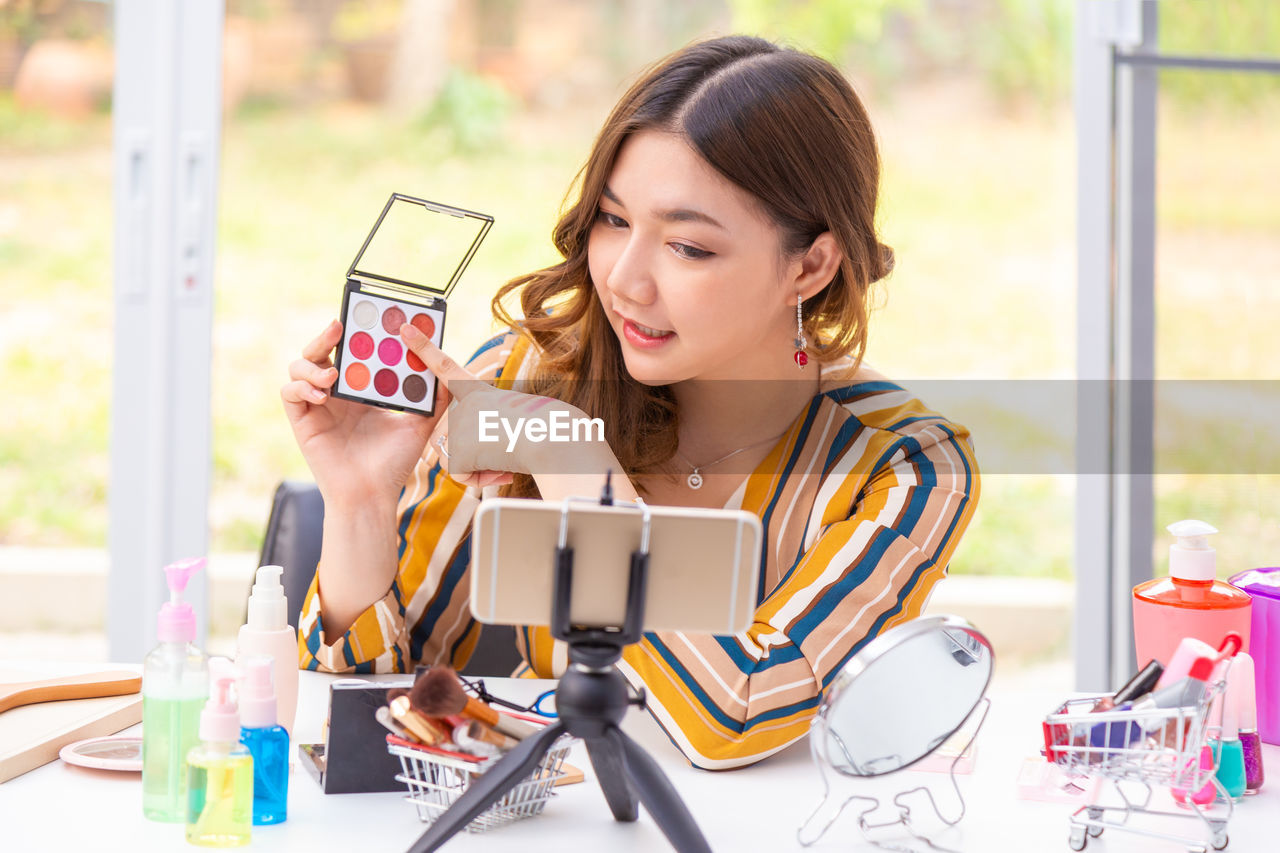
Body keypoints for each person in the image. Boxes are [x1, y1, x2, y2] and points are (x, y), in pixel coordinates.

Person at [281, 35, 979, 770]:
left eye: (689, 247)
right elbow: (370, 714)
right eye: (613, 221)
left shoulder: (907, 466)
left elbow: (740, 710)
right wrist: (359, 504)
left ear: (810, 264)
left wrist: (574, 463)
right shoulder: (519, 380)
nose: (624, 281)